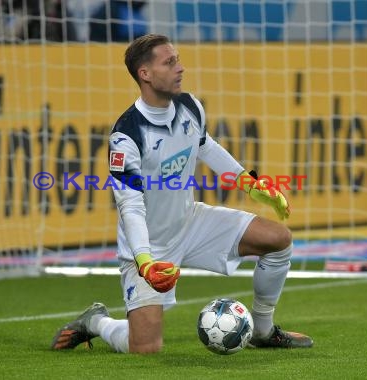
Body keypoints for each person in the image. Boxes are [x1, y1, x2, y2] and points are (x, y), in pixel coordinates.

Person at [50, 33, 313, 354]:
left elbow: (205, 146)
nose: (180, 68)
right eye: (170, 62)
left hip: (191, 222)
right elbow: (130, 206)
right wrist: (145, 260)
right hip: (150, 244)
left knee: (278, 239)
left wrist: (249, 183)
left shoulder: (189, 106)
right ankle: (97, 322)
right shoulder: (126, 136)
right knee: (144, 347)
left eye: (178, 60)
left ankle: (263, 330)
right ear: (145, 74)